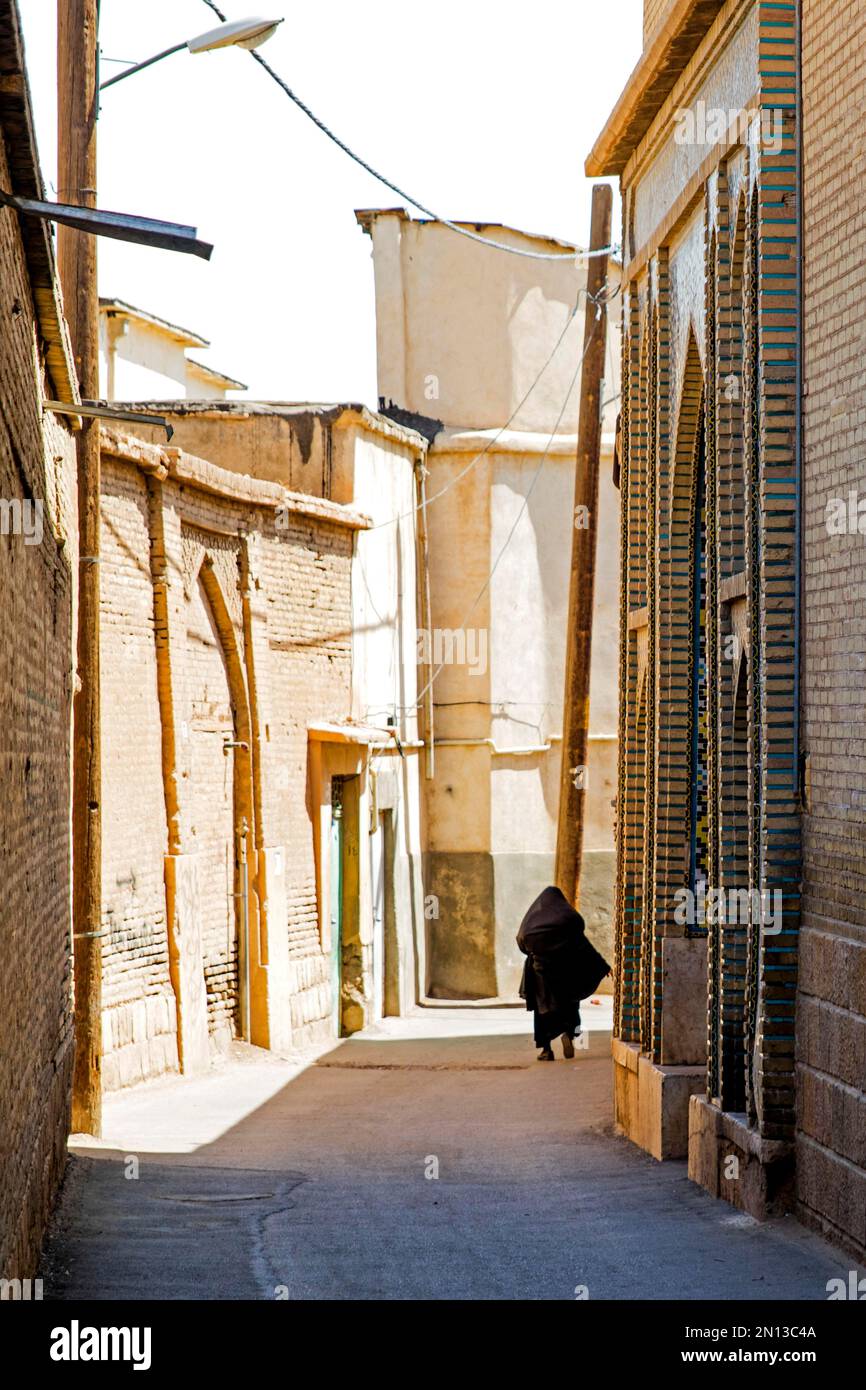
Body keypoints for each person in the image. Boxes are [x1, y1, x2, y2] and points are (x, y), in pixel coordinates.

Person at [517, 885, 610, 1061]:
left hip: (540, 977)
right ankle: (571, 1034)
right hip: (567, 973)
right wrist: (602, 966)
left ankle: (546, 1050)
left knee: (542, 1013)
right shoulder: (569, 920)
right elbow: (584, 947)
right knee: (571, 1007)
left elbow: (522, 943)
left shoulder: (531, 925)